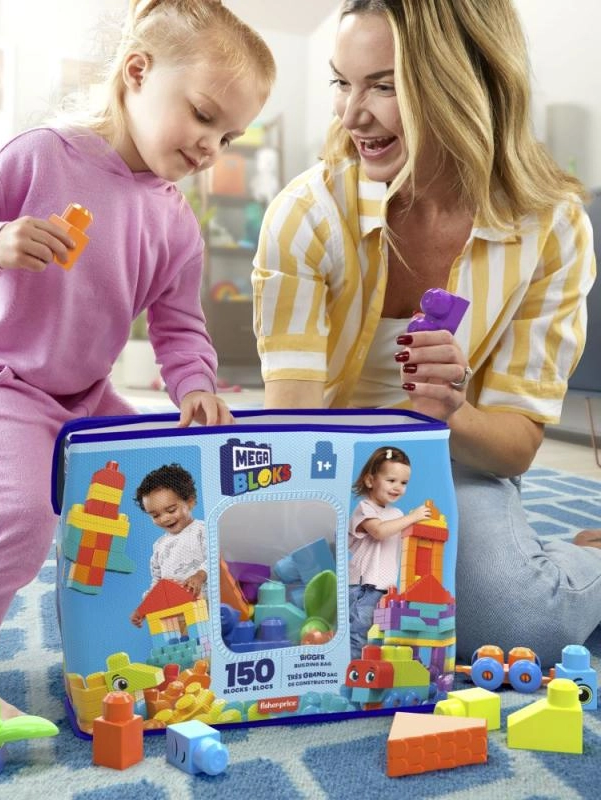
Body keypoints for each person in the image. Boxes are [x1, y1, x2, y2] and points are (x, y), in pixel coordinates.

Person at [0, 0, 275, 724]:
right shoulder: (40, 155)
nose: (212, 146)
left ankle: (134, 635)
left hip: (80, 392)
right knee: (22, 514)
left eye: (228, 135)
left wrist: (195, 385)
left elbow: (178, 323)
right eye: (203, 116)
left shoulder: (176, 221)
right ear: (137, 72)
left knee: (158, 486)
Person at [252, 0, 600, 668]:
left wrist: (451, 411)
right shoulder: (307, 214)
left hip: (457, 460)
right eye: (342, 82)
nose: (350, 115)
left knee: (517, 620)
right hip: (331, 467)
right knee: (300, 603)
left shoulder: (552, 227)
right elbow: (289, 428)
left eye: (383, 86)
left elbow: (514, 449)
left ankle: (587, 563)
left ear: (465, 83)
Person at [348, 446, 431, 656]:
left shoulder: (397, 513)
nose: (398, 487)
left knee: (379, 632)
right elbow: (379, 531)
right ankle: (352, 667)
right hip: (364, 586)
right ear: (370, 481)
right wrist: (413, 518)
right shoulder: (365, 508)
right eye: (391, 480)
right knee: (360, 630)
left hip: (385, 586)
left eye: (403, 483)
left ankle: (371, 666)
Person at [130, 463, 207, 627]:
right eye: (155, 515)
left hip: (205, 608)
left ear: (190, 502)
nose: (164, 518)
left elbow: (215, 559)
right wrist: (144, 607)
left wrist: (200, 575)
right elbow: (157, 582)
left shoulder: (202, 530)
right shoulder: (159, 546)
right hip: (175, 615)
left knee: (206, 638)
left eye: (171, 510)